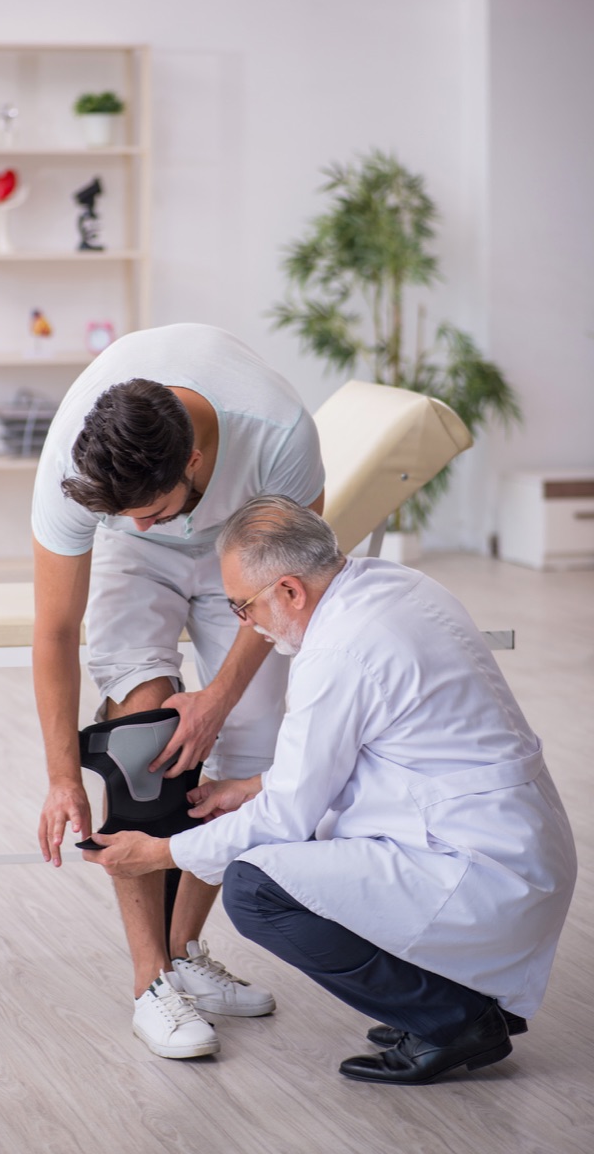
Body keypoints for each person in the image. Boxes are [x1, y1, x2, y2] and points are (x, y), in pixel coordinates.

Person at [83, 495, 577, 1084]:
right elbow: (379, 749)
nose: (247, 624)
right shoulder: (394, 586)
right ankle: (434, 999)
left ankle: (451, 1018)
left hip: (480, 868)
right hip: (514, 840)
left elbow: (285, 820)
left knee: (256, 888)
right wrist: (251, 787)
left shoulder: (339, 652)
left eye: (243, 606)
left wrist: (157, 854)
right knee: (306, 844)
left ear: (290, 591)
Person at [32, 326, 325, 1059]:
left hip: (246, 546)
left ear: (193, 460)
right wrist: (63, 777)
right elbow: (55, 630)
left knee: (251, 739)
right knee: (144, 736)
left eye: (151, 507)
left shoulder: (280, 433)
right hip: (139, 568)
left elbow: (294, 587)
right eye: (118, 510)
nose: (133, 520)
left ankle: (184, 950)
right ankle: (150, 981)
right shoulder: (84, 463)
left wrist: (221, 697)